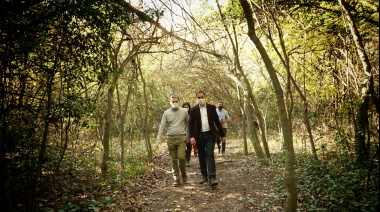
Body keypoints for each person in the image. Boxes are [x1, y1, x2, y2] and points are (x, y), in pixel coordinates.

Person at [188, 90, 226, 187]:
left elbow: (217, 122)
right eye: (199, 97)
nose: (200, 99)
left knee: (210, 154)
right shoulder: (193, 110)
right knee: (201, 156)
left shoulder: (212, 108)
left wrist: (222, 135)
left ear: (205, 97)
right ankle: (204, 175)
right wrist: (191, 136)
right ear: (196, 98)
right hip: (199, 136)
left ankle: (212, 177)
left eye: (202, 97)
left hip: (210, 135)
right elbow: (191, 125)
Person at [157, 95, 189, 187]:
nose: (174, 103)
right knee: (173, 159)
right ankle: (176, 179)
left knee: (182, 157)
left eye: (176, 101)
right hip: (170, 139)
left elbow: (188, 124)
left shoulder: (184, 112)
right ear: (170, 102)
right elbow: (162, 126)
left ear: (179, 101)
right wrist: (159, 138)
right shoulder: (166, 113)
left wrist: (188, 136)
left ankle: (184, 174)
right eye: (173, 101)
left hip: (181, 138)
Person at [182, 102, 198, 167]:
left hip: (189, 134)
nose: (186, 108)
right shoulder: (180, 115)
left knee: (189, 148)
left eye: (187, 107)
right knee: (182, 149)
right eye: (184, 107)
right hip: (181, 134)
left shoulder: (191, 115)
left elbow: (192, 126)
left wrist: (190, 136)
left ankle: (187, 160)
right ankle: (183, 159)